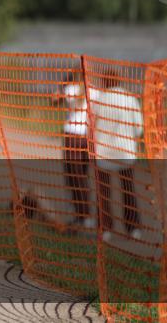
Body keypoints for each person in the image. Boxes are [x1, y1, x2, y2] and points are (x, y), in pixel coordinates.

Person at [90, 70, 143, 242]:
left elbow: (91, 124)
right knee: (128, 190)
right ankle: (133, 228)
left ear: (105, 81)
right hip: (125, 151)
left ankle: (105, 229)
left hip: (104, 152)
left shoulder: (100, 99)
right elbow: (139, 128)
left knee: (104, 193)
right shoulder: (130, 99)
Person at [60, 72, 94, 231]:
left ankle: (81, 215)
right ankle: (85, 216)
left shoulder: (70, 88)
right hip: (87, 137)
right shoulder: (93, 91)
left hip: (72, 136)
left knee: (73, 178)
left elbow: (56, 99)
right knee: (83, 178)